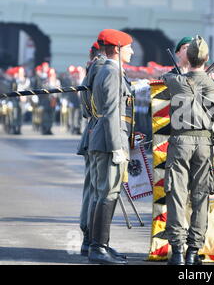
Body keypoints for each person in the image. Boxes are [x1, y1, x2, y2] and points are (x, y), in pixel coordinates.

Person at [162, 36, 214, 265]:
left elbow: (163, 83)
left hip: (180, 143)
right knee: (201, 197)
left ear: (188, 57)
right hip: (204, 145)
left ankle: (177, 251)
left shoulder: (174, 81)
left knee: (176, 196)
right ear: (206, 59)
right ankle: (193, 250)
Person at [87, 29, 134, 264]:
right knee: (107, 193)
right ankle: (98, 247)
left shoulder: (107, 69)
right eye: (128, 48)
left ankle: (101, 245)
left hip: (103, 139)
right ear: (116, 49)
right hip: (108, 142)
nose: (132, 52)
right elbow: (112, 112)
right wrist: (118, 147)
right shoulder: (112, 71)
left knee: (103, 193)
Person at [77, 40, 107, 257]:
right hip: (98, 131)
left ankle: (90, 238)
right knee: (95, 189)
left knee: (93, 188)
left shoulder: (93, 67)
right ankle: (90, 237)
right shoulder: (99, 68)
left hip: (94, 130)